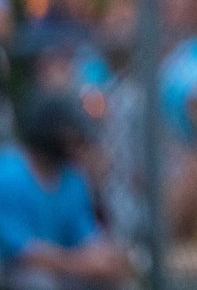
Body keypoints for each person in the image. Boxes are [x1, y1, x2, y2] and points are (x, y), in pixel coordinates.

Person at [0, 92, 134, 290]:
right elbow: (23, 252)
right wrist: (81, 263)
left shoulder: (72, 179)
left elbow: (88, 238)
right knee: (39, 283)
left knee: (111, 278)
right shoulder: (8, 175)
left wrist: (109, 260)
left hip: (62, 269)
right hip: (16, 270)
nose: (77, 147)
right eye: (72, 140)